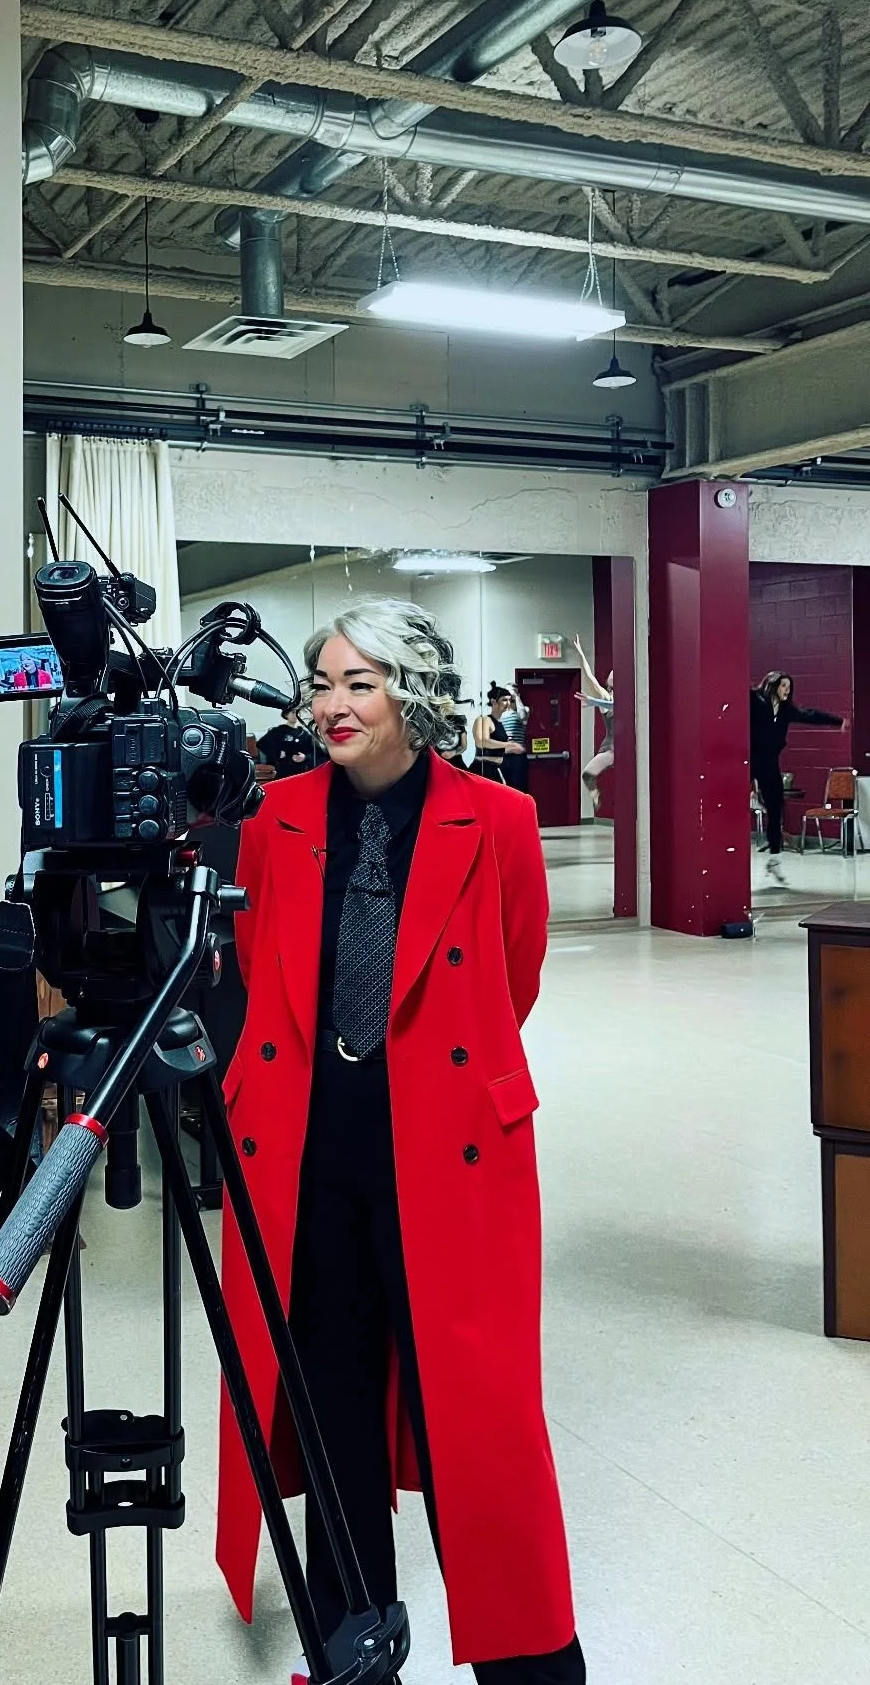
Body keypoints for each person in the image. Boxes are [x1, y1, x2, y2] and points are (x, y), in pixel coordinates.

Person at [215, 599, 583, 1685]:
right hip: (308, 1158)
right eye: (321, 683)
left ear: (413, 696)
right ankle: (350, 1644)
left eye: (359, 682)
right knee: (328, 1409)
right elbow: (255, 968)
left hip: (449, 1158)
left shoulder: (499, 822)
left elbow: (511, 978)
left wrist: (426, 1075)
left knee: (480, 1423)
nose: (330, 703)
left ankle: (530, 1662)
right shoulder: (273, 817)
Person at [750, 670, 845, 884]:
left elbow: (810, 715)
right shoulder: (754, 700)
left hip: (769, 763)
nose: (787, 691)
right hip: (748, 759)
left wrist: (837, 721)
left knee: (776, 809)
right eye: (783, 686)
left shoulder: (786, 710)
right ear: (773, 685)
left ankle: (774, 859)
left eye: (789, 687)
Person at [571, 636, 613, 811]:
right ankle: (595, 794)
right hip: (611, 747)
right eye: (611, 674)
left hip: (623, 747)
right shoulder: (605, 697)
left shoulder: (629, 698)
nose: (612, 674)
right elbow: (590, 678)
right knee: (587, 774)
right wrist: (581, 653)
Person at [471, 684, 529, 791]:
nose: (509, 696)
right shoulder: (498, 715)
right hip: (502, 755)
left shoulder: (522, 709)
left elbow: (523, 717)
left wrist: (516, 697)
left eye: (511, 694)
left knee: (519, 789)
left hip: (517, 756)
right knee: (504, 788)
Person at [257, 703, 324, 782]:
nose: (295, 715)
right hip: (283, 770)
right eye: (292, 712)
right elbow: (262, 744)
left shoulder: (304, 734)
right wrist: (277, 753)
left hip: (301, 772)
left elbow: (316, 753)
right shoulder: (278, 731)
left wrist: (305, 757)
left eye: (296, 712)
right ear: (286, 714)